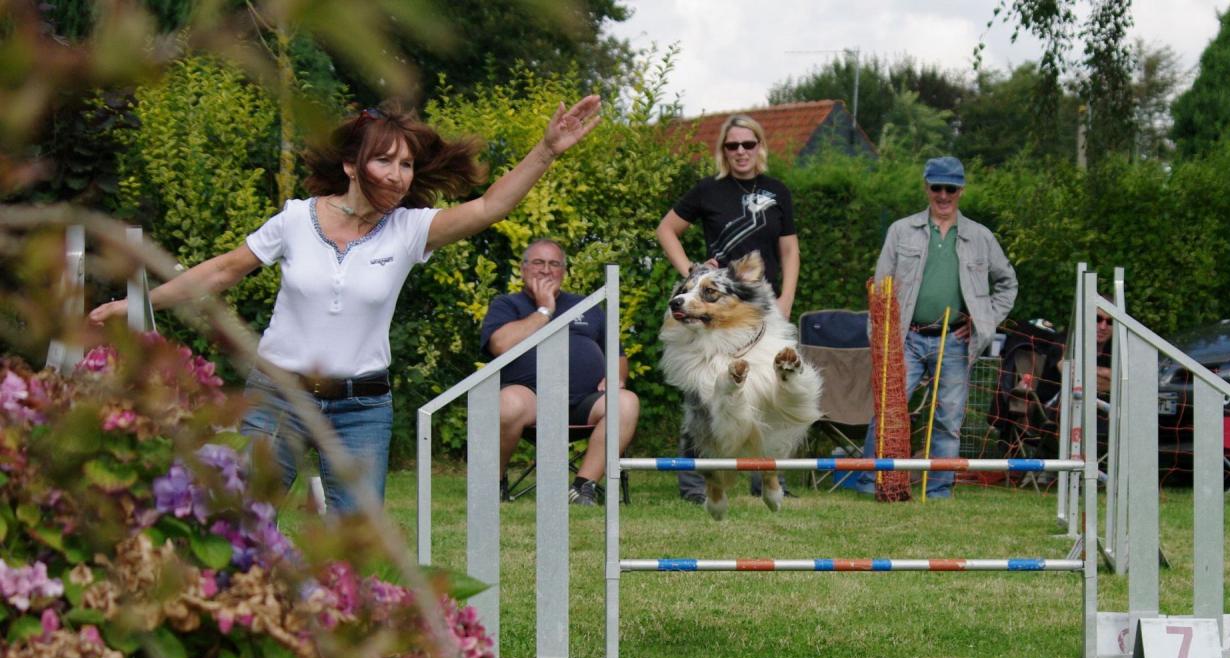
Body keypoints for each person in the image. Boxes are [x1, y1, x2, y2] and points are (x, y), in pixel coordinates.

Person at [89, 97, 602, 513]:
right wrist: (140, 306)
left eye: (406, 165)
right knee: (237, 521)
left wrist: (547, 149)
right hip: (278, 398)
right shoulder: (295, 219)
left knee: (355, 550)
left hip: (362, 409)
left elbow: (491, 206)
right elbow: (223, 269)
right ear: (351, 165)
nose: (400, 176)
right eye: (386, 161)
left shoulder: (409, 230)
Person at [852, 156, 1018, 499]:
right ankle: (870, 484)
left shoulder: (981, 237)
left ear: (961, 191)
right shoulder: (900, 230)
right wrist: (880, 339)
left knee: (949, 418)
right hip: (906, 338)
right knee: (887, 411)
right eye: (937, 187)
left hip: (956, 340)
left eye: (951, 189)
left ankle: (940, 489)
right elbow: (880, 287)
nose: (943, 195)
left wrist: (982, 320)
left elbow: (1008, 284)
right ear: (926, 188)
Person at [655, 114, 800, 504]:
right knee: (702, 396)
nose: (740, 152)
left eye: (747, 145)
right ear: (723, 150)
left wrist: (785, 297)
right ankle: (693, 485)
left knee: (770, 391)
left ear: (759, 147)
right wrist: (692, 274)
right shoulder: (707, 190)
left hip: (757, 310)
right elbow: (665, 230)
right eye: (732, 145)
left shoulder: (777, 191)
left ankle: (768, 481)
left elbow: (789, 249)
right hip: (713, 310)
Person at [479, 238, 640, 506]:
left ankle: (583, 487)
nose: (546, 270)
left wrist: (616, 376)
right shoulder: (507, 305)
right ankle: (492, 483)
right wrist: (544, 310)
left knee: (626, 402)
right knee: (505, 404)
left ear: (563, 272)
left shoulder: (587, 306)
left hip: (585, 401)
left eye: (554, 264)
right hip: (531, 400)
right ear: (523, 269)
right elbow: (500, 345)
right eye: (538, 263)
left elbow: (617, 354)